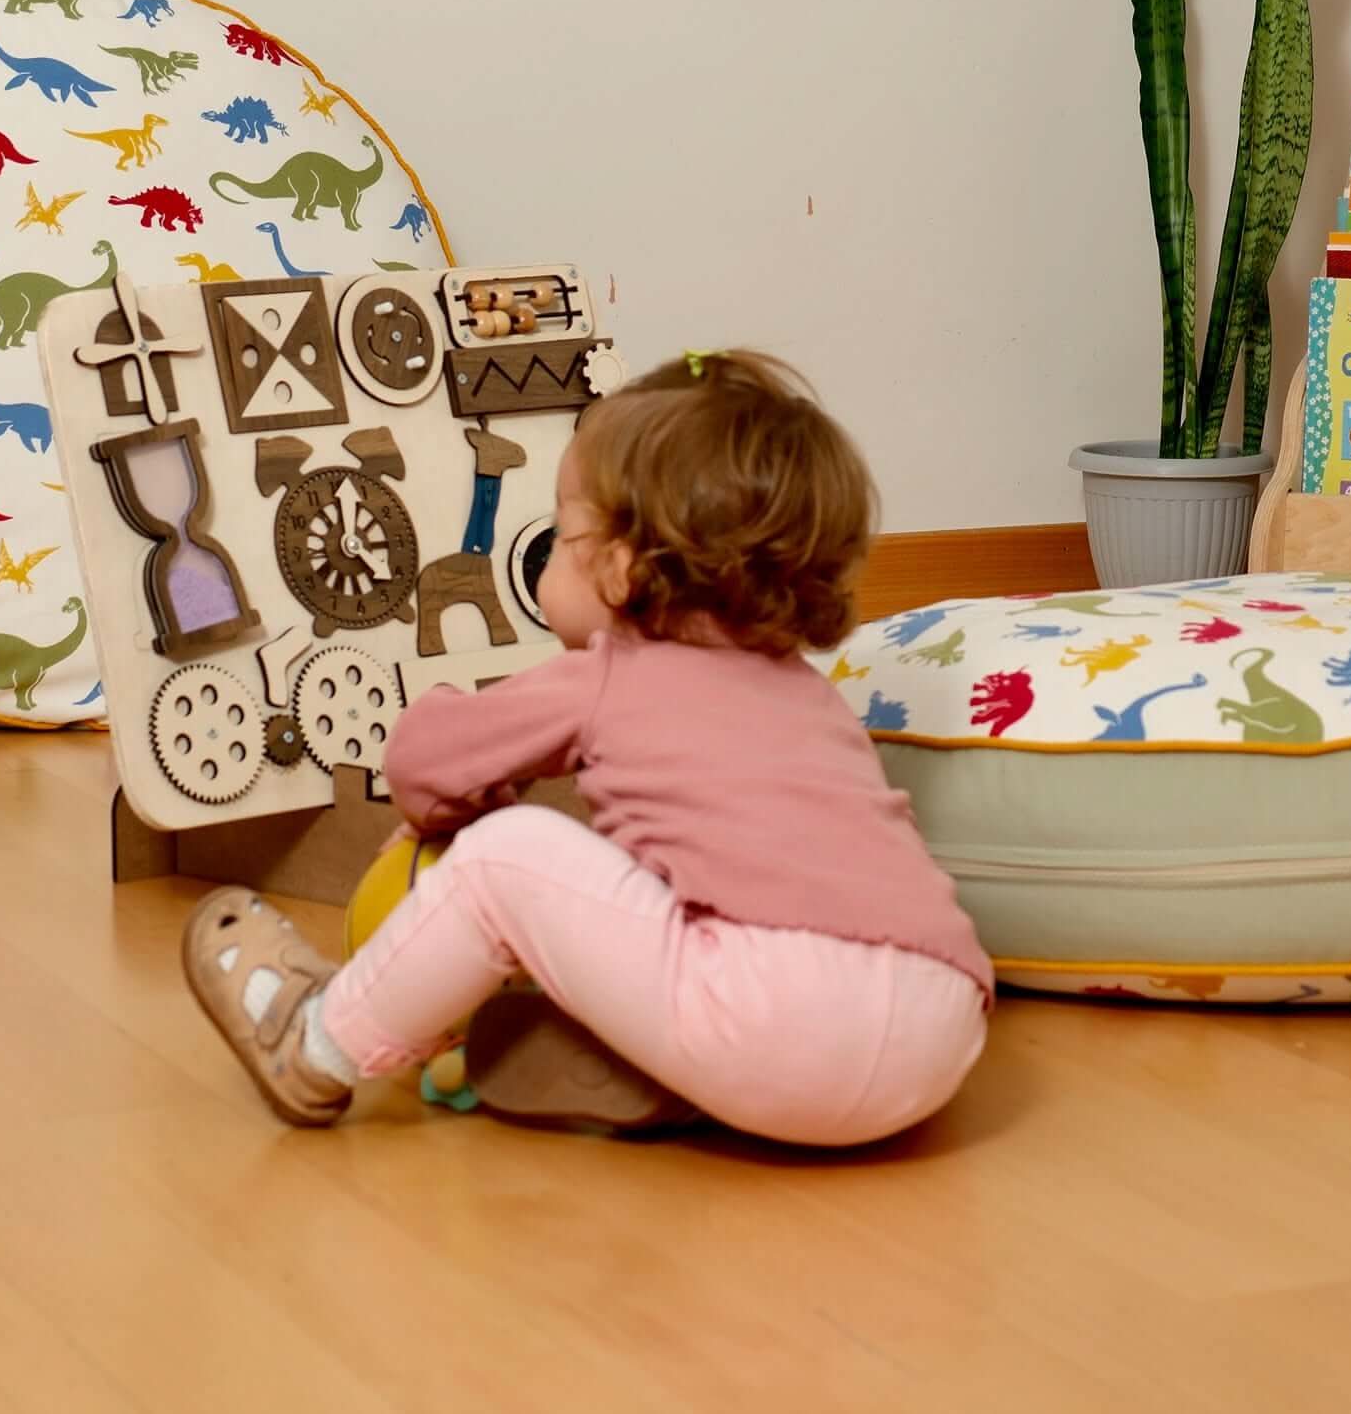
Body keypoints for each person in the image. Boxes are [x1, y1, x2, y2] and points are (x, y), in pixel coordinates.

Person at [183, 350, 993, 1144]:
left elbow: (421, 762)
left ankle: (318, 1043)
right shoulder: (812, 698)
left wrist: (455, 799)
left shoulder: (612, 676)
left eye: (561, 532)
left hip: (773, 1013)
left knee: (506, 857)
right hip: (940, 1029)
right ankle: (680, 1081)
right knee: (666, 881)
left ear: (624, 566)